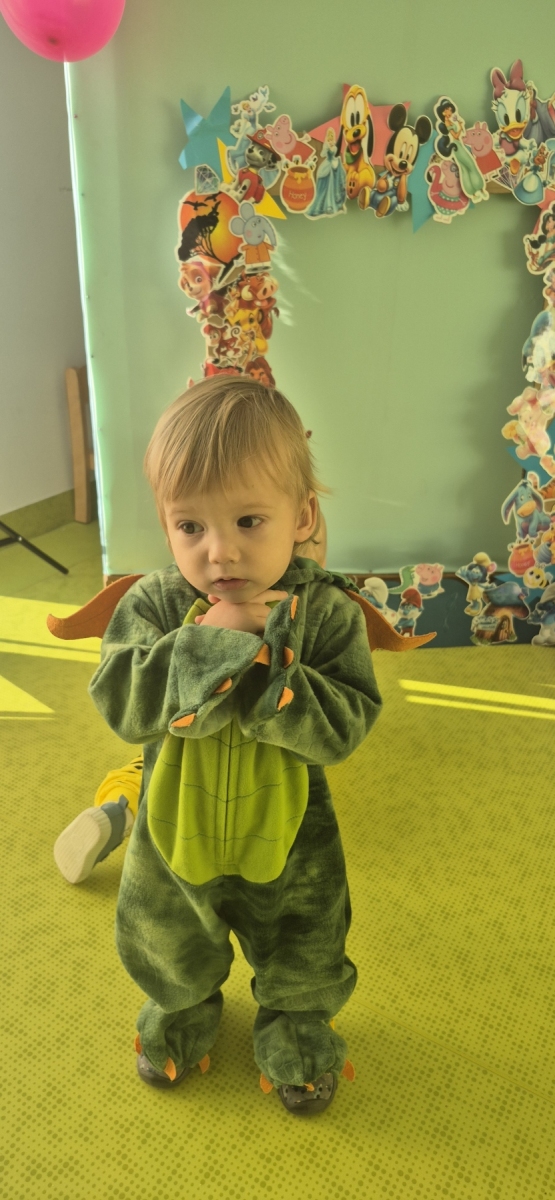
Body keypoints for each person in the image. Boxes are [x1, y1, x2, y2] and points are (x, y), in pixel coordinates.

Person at [69, 377, 382, 1115]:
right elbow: (122, 703)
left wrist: (268, 667)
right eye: (191, 527)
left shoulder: (326, 612)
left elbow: (344, 723)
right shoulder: (154, 603)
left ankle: (296, 1025)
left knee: (305, 937)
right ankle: (181, 1009)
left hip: (291, 837)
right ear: (166, 526)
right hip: (175, 830)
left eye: (248, 520)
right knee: (165, 934)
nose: (220, 552)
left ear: (301, 516)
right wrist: (208, 645)